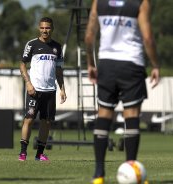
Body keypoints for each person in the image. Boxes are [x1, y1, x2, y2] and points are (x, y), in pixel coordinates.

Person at [85, 0, 160, 183]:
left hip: (107, 64)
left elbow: (88, 37)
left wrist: (90, 64)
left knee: (103, 115)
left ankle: (98, 175)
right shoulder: (140, 3)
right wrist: (155, 65)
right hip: (131, 64)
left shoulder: (99, 2)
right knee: (132, 116)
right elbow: (148, 38)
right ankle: (132, 170)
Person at [18, 17, 67, 161]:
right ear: (39, 28)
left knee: (46, 122)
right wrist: (28, 83)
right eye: (42, 28)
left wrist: (62, 89)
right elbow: (22, 64)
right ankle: (23, 153)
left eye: (48, 28)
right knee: (29, 119)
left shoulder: (57, 47)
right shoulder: (32, 44)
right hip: (35, 90)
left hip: (50, 91)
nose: (45, 30)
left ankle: (39, 154)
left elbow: (59, 70)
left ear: (52, 29)